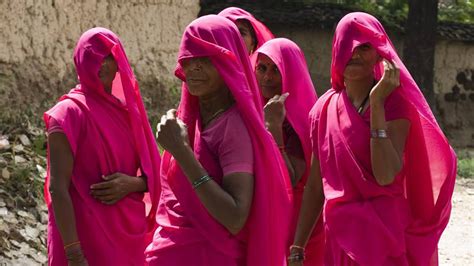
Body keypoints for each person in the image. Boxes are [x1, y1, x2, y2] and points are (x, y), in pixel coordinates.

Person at [290, 12, 456, 266]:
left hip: (382, 238)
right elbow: (315, 185)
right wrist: (298, 245)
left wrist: (377, 104)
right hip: (339, 237)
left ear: (379, 54)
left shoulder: (395, 104)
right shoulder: (323, 109)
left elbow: (385, 174)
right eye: (348, 44)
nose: (354, 54)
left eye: (364, 47)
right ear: (336, 48)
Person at [145, 15, 292, 266]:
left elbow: (235, 217)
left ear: (227, 63)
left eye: (205, 59)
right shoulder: (189, 122)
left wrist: (182, 153)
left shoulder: (233, 127)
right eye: (189, 59)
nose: (194, 68)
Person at [44, 27, 161, 265]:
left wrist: (133, 184)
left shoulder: (129, 115)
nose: (102, 64)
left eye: (109, 56)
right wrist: (74, 254)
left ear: (119, 62)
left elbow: (156, 174)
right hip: (84, 239)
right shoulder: (68, 114)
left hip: (128, 239)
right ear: (80, 61)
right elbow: (58, 188)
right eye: (93, 56)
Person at [254, 38, 325, 265]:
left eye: (276, 70)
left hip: (295, 227)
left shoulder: (301, 118)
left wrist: (274, 128)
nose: (267, 77)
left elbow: (291, 178)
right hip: (262, 218)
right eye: (262, 68)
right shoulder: (252, 108)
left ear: (291, 73)